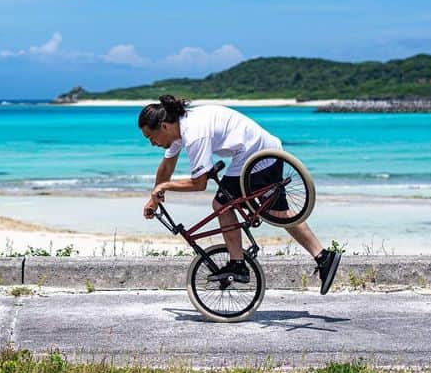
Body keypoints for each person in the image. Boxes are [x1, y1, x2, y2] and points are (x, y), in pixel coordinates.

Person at [139, 95, 341, 294]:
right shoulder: (178, 128)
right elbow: (166, 168)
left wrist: (165, 188)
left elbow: (199, 183)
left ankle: (238, 264)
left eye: (151, 137)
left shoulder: (194, 134)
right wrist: (153, 199)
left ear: (164, 126)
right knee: (276, 213)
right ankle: (323, 257)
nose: (152, 143)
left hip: (255, 156)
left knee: (221, 204)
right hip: (259, 152)